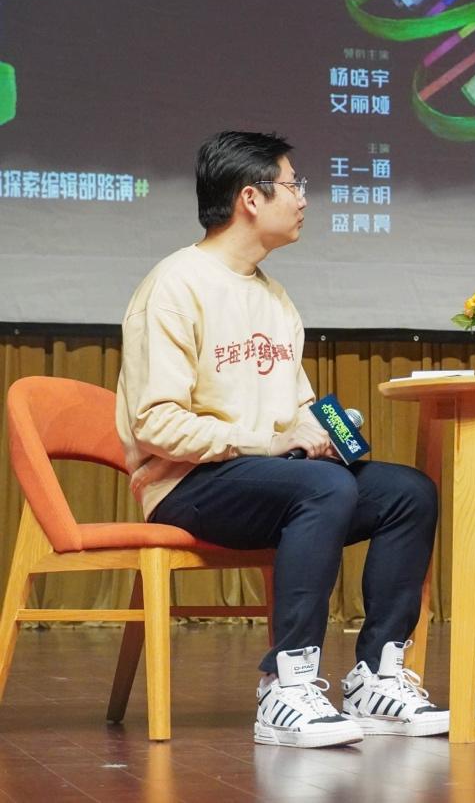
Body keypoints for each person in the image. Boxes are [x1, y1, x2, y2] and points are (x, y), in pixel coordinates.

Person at [116, 131, 448, 748]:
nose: (303, 199)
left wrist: (324, 431)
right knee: (322, 488)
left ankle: (377, 674)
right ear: (251, 197)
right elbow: (155, 424)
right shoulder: (174, 286)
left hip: (273, 477)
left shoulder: (274, 297)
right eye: (294, 185)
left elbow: (295, 409)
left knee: (408, 492)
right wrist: (267, 444)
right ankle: (285, 684)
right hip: (187, 483)